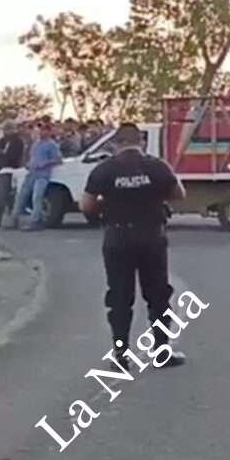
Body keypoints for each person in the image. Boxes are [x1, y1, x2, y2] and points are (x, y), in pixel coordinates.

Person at [79, 123, 187, 369]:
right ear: (141, 141)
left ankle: (120, 356)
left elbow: (86, 205)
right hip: (151, 237)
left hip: (118, 238)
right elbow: (179, 194)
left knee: (119, 298)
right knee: (158, 296)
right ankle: (161, 352)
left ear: (115, 143)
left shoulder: (104, 170)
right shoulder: (157, 166)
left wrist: (108, 204)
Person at [11, 122, 62, 230]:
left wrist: (45, 163)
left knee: (37, 197)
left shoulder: (52, 145)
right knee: (22, 195)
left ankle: (36, 221)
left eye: (45, 130)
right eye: (41, 130)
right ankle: (14, 219)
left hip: (42, 175)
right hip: (31, 173)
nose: (42, 132)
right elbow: (32, 157)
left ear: (49, 132)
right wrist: (28, 164)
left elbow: (58, 159)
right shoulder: (36, 144)